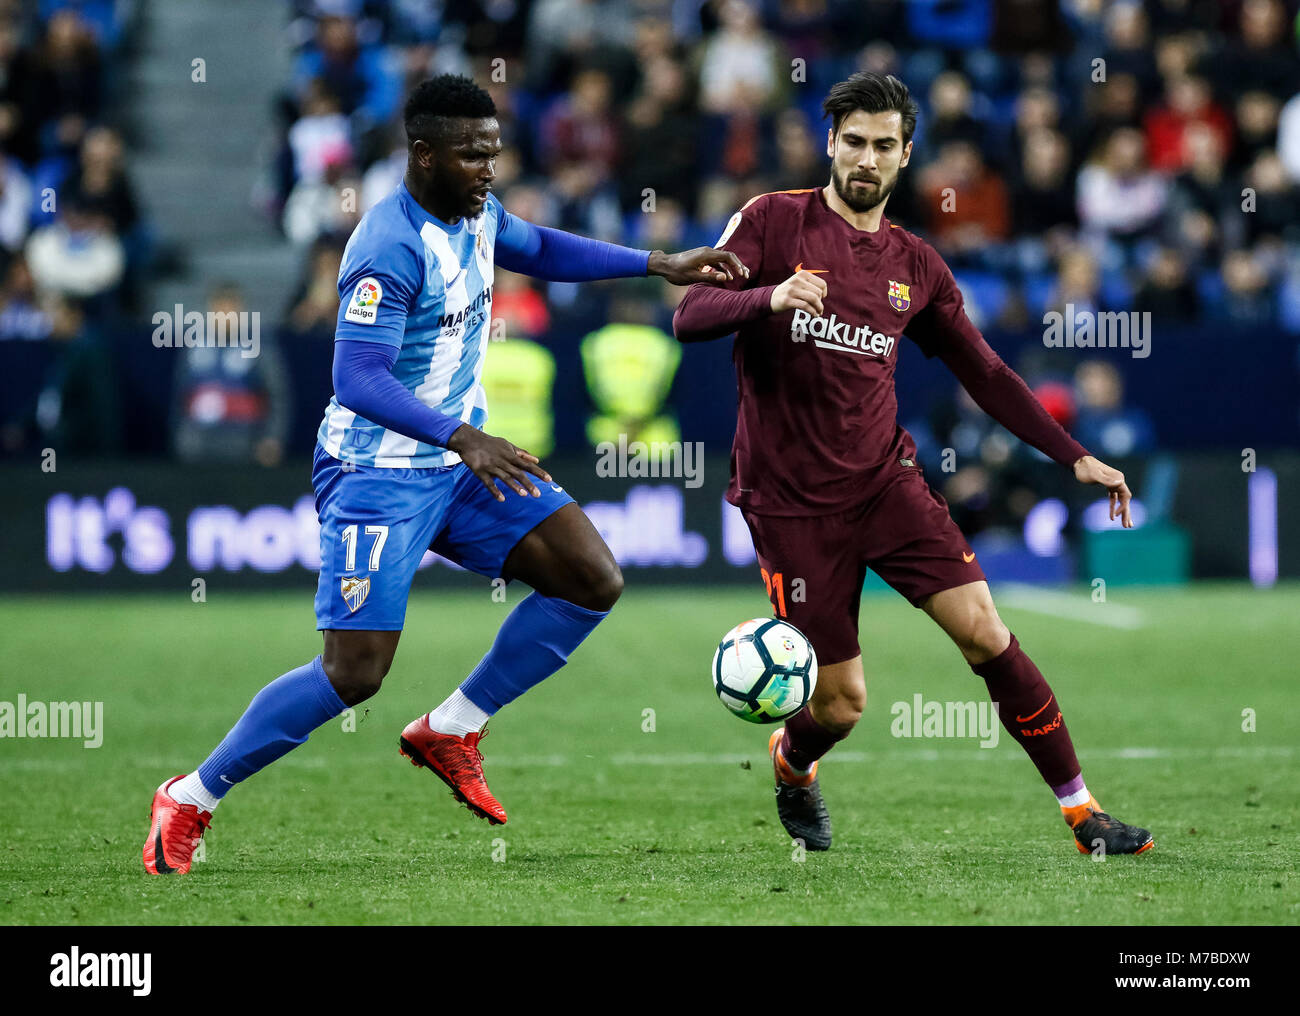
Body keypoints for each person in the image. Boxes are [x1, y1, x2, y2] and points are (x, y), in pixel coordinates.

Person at [144, 74, 745, 874]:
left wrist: (657, 261)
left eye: (494, 155)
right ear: (421, 155)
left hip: (459, 461)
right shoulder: (387, 244)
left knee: (591, 578)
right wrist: (465, 437)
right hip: (378, 472)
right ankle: (190, 797)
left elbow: (535, 245)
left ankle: (454, 726)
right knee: (354, 674)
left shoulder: (476, 210)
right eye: (471, 157)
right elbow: (357, 377)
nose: (488, 171)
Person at [673, 72, 1153, 856]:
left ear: (905, 156)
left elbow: (987, 373)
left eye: (884, 145)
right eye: (854, 141)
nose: (866, 157)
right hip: (791, 506)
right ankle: (794, 765)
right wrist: (768, 299)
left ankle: (1082, 814)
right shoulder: (770, 223)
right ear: (830, 143)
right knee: (840, 708)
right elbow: (689, 313)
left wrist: (1076, 457)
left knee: (987, 635)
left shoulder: (916, 264)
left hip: (886, 485)